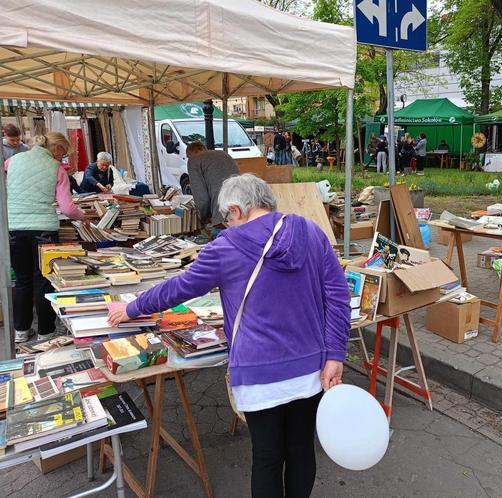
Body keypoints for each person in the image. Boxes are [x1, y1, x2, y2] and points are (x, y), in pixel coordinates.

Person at [109, 173, 350, 498]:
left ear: (236, 210)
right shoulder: (310, 231)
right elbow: (337, 295)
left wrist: (133, 307)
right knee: (301, 449)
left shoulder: (227, 246)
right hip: (311, 368)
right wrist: (335, 354)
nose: (226, 225)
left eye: (226, 218)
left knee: (267, 457)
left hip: (258, 372)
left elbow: (179, 287)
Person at [7, 132, 86, 342]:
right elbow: (68, 209)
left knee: (22, 281)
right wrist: (83, 216)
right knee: (44, 280)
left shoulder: (12, 161)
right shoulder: (56, 168)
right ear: (56, 149)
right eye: (63, 153)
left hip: (13, 227)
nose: (62, 158)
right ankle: (46, 333)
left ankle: (21, 332)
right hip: (43, 230)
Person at [186, 141, 239, 229]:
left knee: (222, 240)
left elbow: (202, 197)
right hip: (242, 209)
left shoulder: (194, 161)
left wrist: (203, 219)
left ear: (190, 155)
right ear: (204, 148)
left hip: (221, 215)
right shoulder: (224, 154)